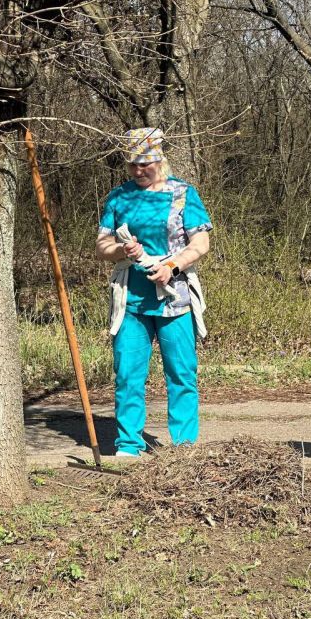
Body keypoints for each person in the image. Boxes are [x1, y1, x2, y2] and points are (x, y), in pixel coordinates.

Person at [96, 128, 212, 457]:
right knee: (128, 374)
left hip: (175, 298)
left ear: (159, 158)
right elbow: (101, 246)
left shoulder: (183, 194)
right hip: (131, 300)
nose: (137, 171)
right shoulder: (119, 197)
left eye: (144, 164)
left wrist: (171, 266)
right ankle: (129, 446)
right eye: (132, 164)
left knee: (182, 372)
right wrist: (121, 249)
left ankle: (184, 447)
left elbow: (201, 242)